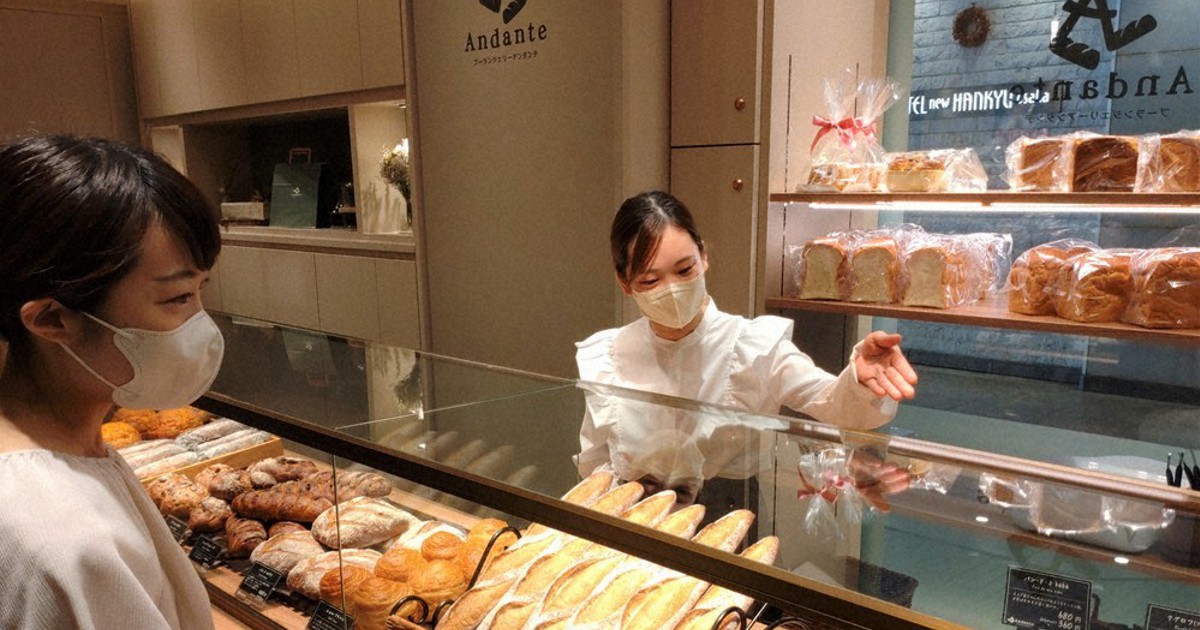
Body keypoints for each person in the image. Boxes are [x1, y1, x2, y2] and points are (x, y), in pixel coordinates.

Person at [575, 190, 917, 513]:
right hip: (633, 516)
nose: (672, 289)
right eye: (651, 281)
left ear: (703, 257)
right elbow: (594, 461)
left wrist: (859, 380)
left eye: (684, 270)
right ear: (624, 283)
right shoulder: (609, 354)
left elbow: (831, 401)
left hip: (728, 514)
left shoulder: (753, 345)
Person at [0, 135, 223, 629]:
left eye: (199, 291)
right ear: (52, 319)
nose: (201, 326)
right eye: (177, 298)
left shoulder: (73, 449)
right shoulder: (63, 542)